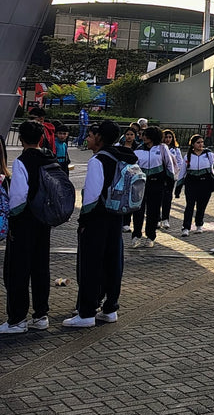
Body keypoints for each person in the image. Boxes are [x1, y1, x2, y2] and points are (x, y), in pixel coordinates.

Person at [61, 119, 136, 328]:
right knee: (113, 262)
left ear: (100, 138)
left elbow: (92, 196)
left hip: (97, 219)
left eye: (91, 136)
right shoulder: (124, 156)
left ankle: (86, 312)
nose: (88, 138)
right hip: (116, 215)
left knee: (90, 264)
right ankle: (110, 308)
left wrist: (83, 220)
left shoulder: (98, 160)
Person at [0, 121, 54, 335]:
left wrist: (13, 220)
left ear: (21, 139)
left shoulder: (23, 161)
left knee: (17, 271)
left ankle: (17, 320)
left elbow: (19, 196)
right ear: (41, 138)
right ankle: (41, 315)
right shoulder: (50, 158)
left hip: (25, 223)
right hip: (44, 221)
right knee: (41, 269)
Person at [132, 125, 171, 246]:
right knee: (138, 210)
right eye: (143, 135)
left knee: (153, 211)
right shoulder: (138, 149)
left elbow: (169, 164)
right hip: (141, 184)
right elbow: (133, 166)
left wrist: (170, 182)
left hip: (157, 183)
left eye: (146, 136)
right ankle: (136, 235)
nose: (143, 137)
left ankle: (151, 236)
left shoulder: (162, 148)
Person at [178, 134, 214, 236]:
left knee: (201, 206)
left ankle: (199, 225)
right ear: (193, 144)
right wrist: (178, 186)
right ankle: (186, 227)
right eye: (198, 142)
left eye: (202, 142)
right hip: (191, 182)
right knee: (189, 206)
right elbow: (182, 171)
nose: (200, 144)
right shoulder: (188, 156)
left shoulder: (208, 154)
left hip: (205, 183)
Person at [160, 129, 184, 226]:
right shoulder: (159, 148)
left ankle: (165, 219)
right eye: (166, 137)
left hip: (170, 176)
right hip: (160, 175)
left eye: (170, 137)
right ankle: (157, 218)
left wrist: (174, 170)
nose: (168, 139)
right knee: (158, 197)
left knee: (167, 197)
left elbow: (180, 162)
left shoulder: (175, 149)